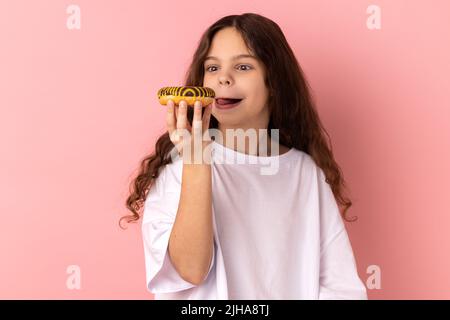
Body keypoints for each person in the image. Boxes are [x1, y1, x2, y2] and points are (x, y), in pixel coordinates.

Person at [121, 13, 368, 300]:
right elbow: (189, 270)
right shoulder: (181, 167)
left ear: (273, 82)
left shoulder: (306, 173)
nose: (223, 78)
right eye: (212, 67)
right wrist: (198, 164)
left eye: (242, 66)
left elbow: (340, 287)